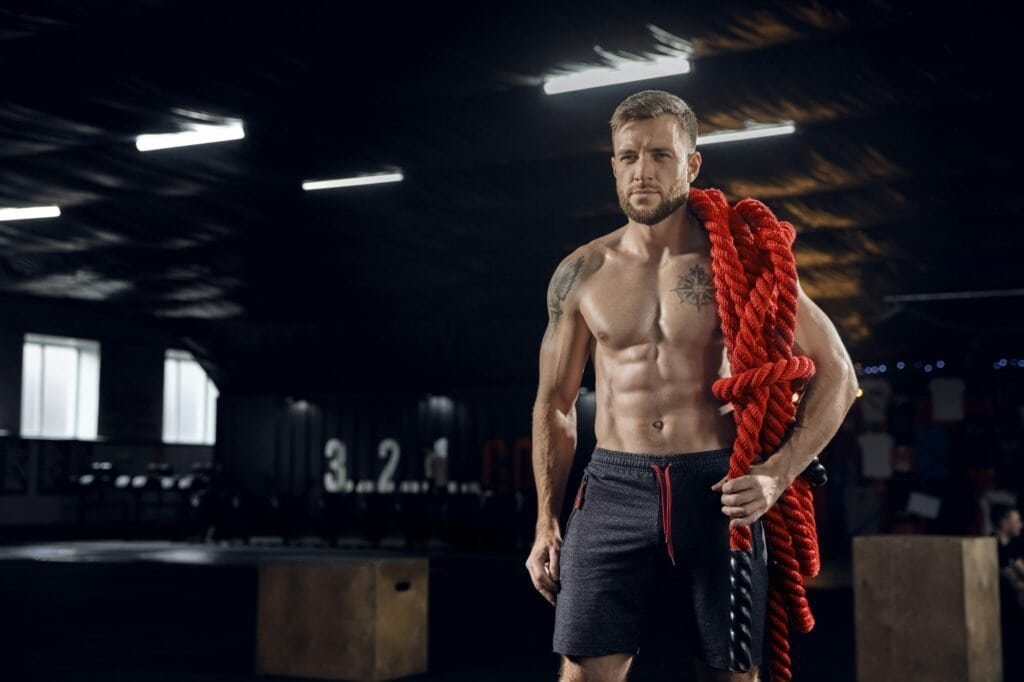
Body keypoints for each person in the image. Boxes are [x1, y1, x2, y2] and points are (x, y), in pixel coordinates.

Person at [524, 90, 858, 682]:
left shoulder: (746, 259)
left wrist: (779, 473)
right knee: (581, 674)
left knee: (731, 675)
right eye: (628, 157)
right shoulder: (581, 273)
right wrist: (546, 520)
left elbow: (838, 371)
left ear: (692, 164)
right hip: (612, 491)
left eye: (660, 155)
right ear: (613, 165)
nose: (642, 171)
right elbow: (555, 406)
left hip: (717, 487)